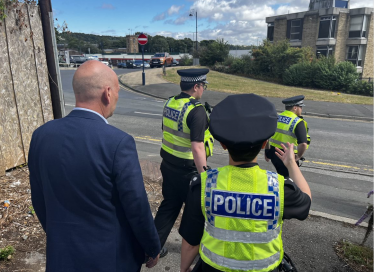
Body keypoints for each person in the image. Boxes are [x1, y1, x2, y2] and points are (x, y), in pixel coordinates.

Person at [28, 60, 161, 272]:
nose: (117, 97)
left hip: (61, 257)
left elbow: (39, 199)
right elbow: (136, 206)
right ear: (107, 93)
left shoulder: (41, 136)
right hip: (110, 260)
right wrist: (152, 246)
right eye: (118, 91)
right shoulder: (118, 142)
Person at [179, 94, 312, 272]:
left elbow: (190, 242)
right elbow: (306, 201)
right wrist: (291, 163)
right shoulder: (279, 189)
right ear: (265, 142)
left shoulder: (203, 185)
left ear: (223, 144)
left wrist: (184, 269)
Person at [154, 68, 215, 257]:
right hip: (188, 171)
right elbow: (197, 148)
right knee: (194, 214)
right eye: (203, 86)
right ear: (196, 86)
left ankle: (151, 249)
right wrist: (204, 175)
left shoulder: (170, 102)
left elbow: (166, 130)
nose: (203, 90)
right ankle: (195, 254)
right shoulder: (196, 110)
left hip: (168, 164)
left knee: (169, 206)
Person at [265, 95, 310, 178]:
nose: (301, 109)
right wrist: (298, 156)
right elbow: (303, 144)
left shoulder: (277, 117)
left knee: (281, 176)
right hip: (288, 156)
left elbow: (267, 136)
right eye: (301, 107)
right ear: (295, 108)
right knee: (291, 181)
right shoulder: (298, 121)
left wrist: (267, 153)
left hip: (274, 153)